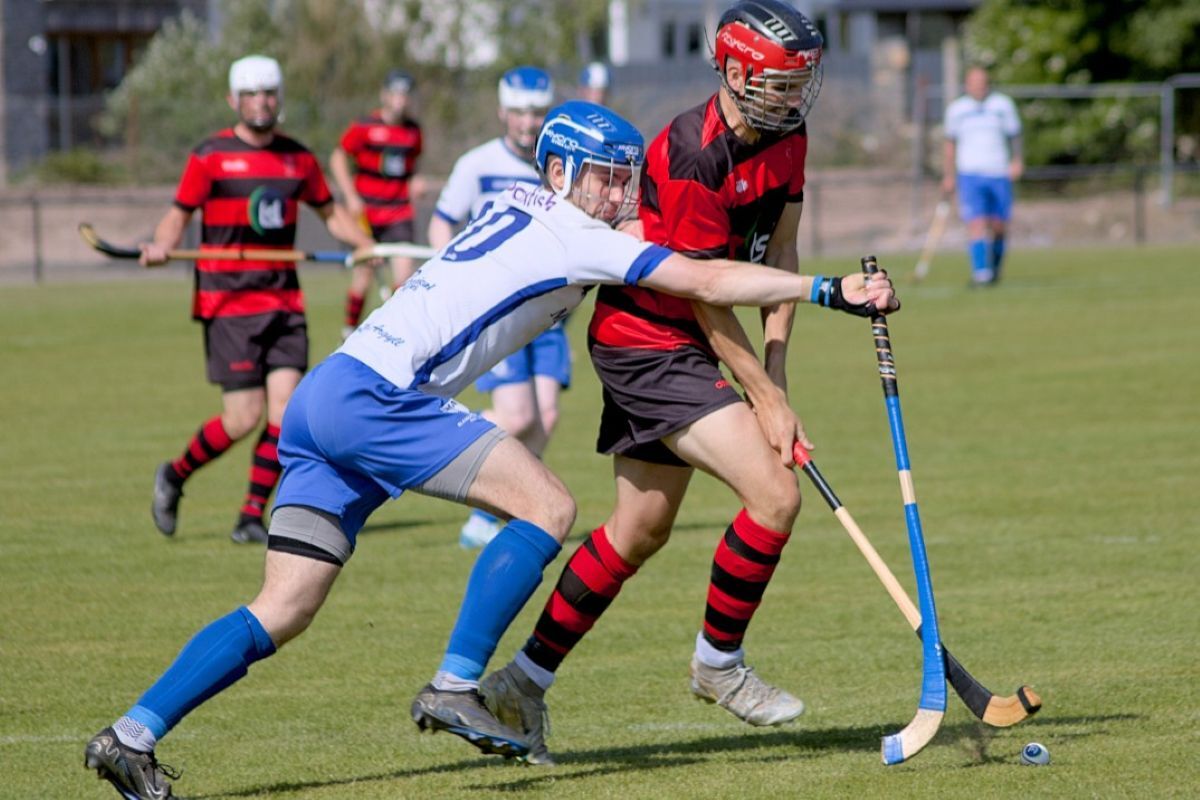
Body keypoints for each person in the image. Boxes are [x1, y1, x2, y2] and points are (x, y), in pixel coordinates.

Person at [83, 99, 898, 799]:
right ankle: (456, 684)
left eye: (625, 176)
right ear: (559, 176)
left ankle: (130, 733)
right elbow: (710, 282)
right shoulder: (579, 235)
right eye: (604, 177)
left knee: (285, 606)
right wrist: (828, 290)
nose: (619, 191)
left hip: (325, 400)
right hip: (376, 399)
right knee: (550, 506)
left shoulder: (527, 200)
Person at [481, 0, 841, 765]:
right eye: (781, 82)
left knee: (637, 531)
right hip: (647, 339)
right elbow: (700, 290)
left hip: (699, 337)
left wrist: (776, 374)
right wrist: (762, 399)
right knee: (776, 495)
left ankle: (521, 683)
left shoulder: (789, 139)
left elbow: (779, 255)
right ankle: (719, 667)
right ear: (736, 72)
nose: (793, 97)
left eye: (801, 82)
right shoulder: (688, 153)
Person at [142, 55, 374, 545]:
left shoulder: (298, 158)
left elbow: (330, 215)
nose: (261, 102)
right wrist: (161, 244)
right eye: (251, 94)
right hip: (228, 303)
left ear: (279, 97)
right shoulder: (211, 157)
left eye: (268, 93)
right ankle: (175, 475)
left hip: (283, 301)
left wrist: (365, 244)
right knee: (242, 418)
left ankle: (250, 515)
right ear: (234, 100)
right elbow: (177, 216)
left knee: (285, 413)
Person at [427, 66, 566, 550]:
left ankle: (502, 512)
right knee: (518, 413)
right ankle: (444, 447)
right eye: (521, 112)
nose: (529, 122)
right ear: (503, 112)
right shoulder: (476, 164)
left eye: (538, 112)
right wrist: (451, 278)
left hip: (548, 314)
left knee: (545, 416)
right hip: (497, 314)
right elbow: (442, 224)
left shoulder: (560, 165)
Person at [331, 68, 426, 337]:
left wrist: (415, 182)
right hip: (367, 214)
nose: (400, 99)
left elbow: (411, 168)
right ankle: (349, 330)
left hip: (398, 212)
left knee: (405, 275)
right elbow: (338, 158)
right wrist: (350, 196)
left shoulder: (413, 132)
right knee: (364, 275)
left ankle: (397, 332)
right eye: (395, 93)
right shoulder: (364, 127)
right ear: (385, 95)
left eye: (405, 94)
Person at [941, 65, 1023, 285]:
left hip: (998, 172)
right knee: (976, 222)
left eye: (982, 82)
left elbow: (1015, 135)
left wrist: (1017, 160)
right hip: (970, 174)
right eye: (974, 82)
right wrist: (949, 175)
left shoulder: (1002, 105)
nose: (979, 86)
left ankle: (994, 269)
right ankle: (981, 273)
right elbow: (950, 143)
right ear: (967, 84)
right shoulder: (957, 109)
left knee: (998, 225)